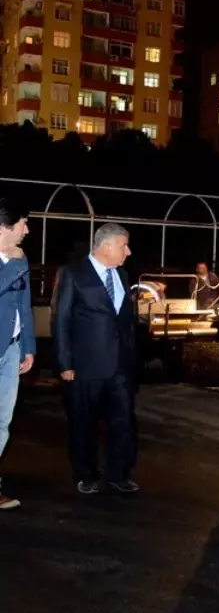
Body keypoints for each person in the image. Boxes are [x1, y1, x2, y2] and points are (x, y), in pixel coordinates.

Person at [53, 223, 139, 494]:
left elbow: (125, 321)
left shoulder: (122, 275)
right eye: (123, 245)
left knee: (123, 421)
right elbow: (61, 321)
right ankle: (85, 473)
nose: (128, 250)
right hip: (85, 365)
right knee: (83, 422)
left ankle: (118, 473)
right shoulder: (74, 274)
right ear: (107, 246)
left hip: (121, 366)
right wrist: (65, 363)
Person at [0, 199, 35, 510]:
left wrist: (28, 347)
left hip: (10, 351)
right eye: (23, 223)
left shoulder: (19, 259)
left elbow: (24, 306)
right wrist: (12, 263)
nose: (27, 228)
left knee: (2, 422)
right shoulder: (14, 261)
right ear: (4, 228)